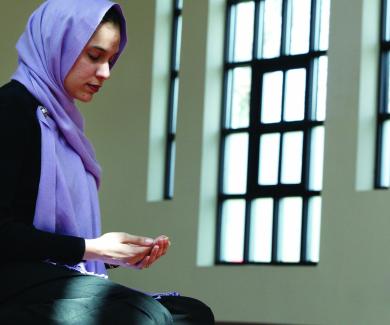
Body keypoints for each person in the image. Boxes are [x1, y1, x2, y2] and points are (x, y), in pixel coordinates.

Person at [0, 0, 214, 324]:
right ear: (57, 43)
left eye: (111, 60)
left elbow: (57, 239)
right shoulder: (11, 108)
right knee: (144, 316)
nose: (105, 73)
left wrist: (113, 254)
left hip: (51, 281)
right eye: (94, 56)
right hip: (12, 286)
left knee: (193, 314)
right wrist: (92, 249)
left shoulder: (64, 126)